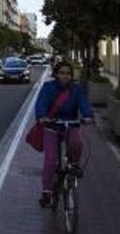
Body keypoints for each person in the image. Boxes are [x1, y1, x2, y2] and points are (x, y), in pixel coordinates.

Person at [34, 61, 94, 208]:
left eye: (68, 73)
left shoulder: (77, 89)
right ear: (56, 74)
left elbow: (83, 103)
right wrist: (42, 116)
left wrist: (88, 116)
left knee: (77, 143)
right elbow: (41, 103)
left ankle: (74, 164)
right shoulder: (48, 87)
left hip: (70, 123)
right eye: (62, 73)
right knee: (50, 159)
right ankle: (47, 193)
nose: (65, 76)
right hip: (52, 125)